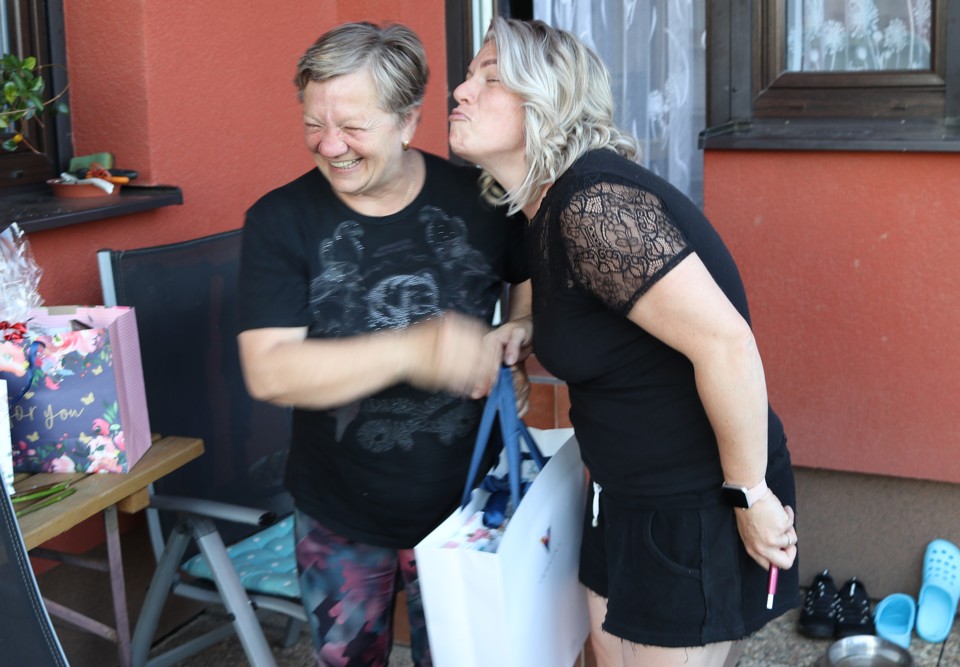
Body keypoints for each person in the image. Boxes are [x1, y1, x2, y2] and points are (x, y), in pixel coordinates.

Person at [449, 17, 799, 667]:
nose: (461, 90)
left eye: (490, 78)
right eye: (468, 75)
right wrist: (526, 328)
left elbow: (727, 344)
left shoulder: (593, 205)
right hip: (620, 494)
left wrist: (748, 492)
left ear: (549, 100)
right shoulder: (542, 207)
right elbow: (596, 311)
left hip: (693, 502)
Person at [236, 21, 530, 667]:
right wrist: (413, 349)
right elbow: (269, 371)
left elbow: (530, 271)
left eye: (353, 126)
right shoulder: (280, 220)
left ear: (407, 121)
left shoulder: (482, 198)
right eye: (313, 124)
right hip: (338, 510)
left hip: (468, 506)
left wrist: (521, 327)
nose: (330, 145)